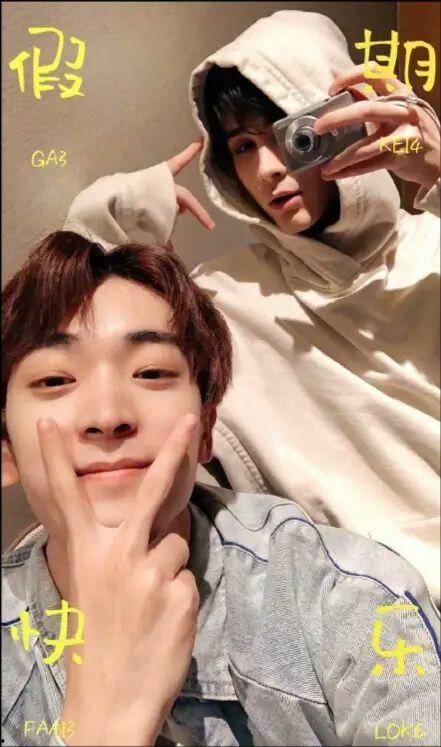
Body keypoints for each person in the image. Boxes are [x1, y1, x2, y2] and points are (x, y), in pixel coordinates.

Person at [1, 231, 440, 747]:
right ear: (6, 447)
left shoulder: (351, 598)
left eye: (151, 372)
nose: (108, 415)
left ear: (207, 427)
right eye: (54, 380)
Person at [63, 10, 440, 604]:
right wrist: (112, 221)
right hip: (358, 607)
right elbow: (81, 334)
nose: (267, 170)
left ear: (345, 119)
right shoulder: (228, 299)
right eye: (242, 146)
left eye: (291, 134)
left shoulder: (432, 249)